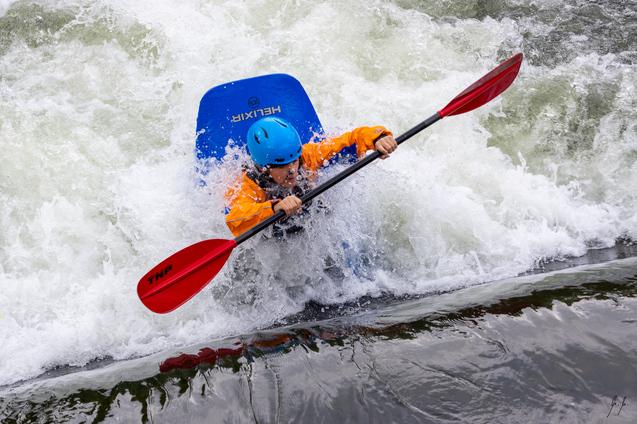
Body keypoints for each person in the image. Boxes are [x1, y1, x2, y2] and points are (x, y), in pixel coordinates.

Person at [224, 117, 397, 237]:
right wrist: (274, 207)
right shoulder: (247, 183)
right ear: (264, 168)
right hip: (271, 238)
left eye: (294, 161)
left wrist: (378, 138)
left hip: (309, 222)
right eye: (282, 166)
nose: (292, 171)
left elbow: (352, 138)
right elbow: (234, 219)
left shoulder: (307, 156)